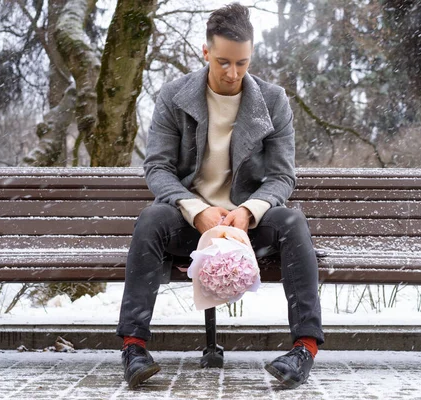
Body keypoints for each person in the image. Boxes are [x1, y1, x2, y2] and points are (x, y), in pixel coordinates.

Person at [117, 2, 324, 390]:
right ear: (206, 51)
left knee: (293, 222)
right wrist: (196, 211)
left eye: (242, 63)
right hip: (190, 224)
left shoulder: (273, 101)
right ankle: (134, 348)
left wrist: (248, 210)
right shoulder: (174, 96)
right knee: (150, 219)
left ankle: (304, 349)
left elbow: (281, 176)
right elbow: (157, 168)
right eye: (224, 62)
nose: (233, 73)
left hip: (248, 224)